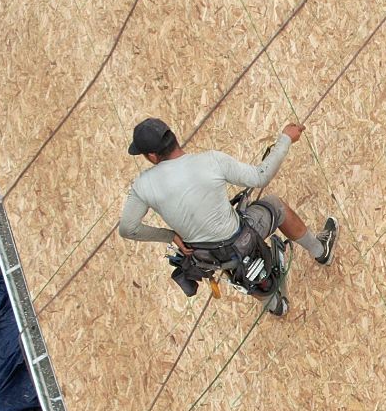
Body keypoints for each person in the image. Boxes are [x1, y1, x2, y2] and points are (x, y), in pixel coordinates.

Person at [117, 117, 338, 307]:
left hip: (205, 258)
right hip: (241, 240)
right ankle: (320, 250)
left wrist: (170, 235)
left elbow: (128, 228)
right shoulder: (210, 160)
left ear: (152, 156)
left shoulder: (142, 185)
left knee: (236, 263)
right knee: (275, 205)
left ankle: (275, 306)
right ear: (173, 137)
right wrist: (286, 138)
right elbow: (260, 176)